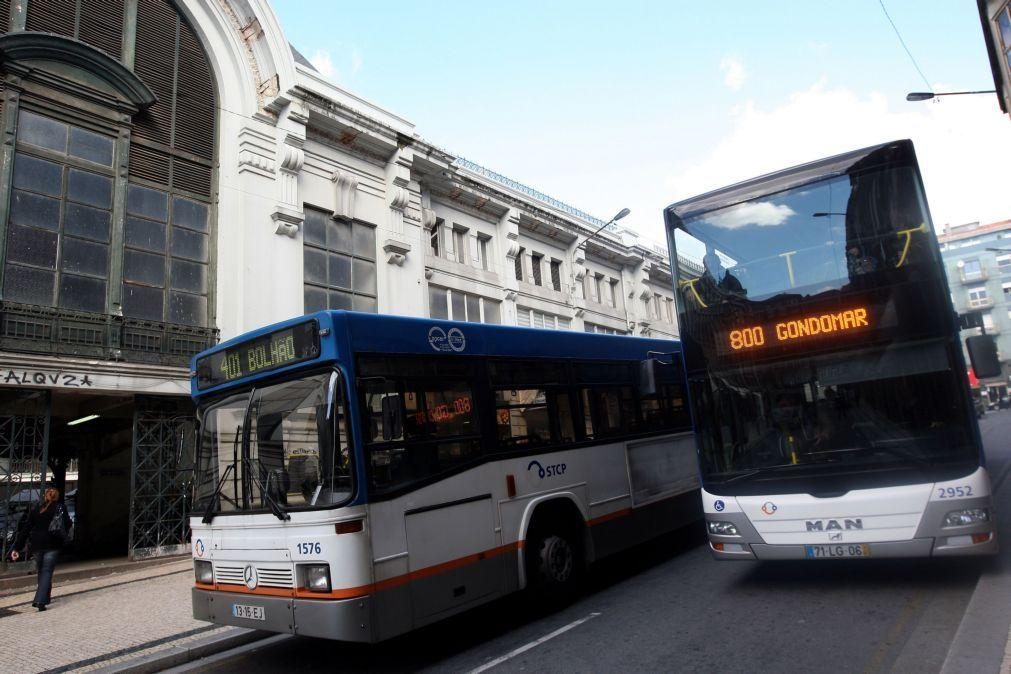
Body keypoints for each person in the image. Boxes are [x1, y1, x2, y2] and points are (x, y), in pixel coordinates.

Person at [8, 485, 72, 611]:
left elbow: (25, 529)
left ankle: (45, 597)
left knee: (42, 571)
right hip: (52, 544)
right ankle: (40, 600)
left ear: (45, 496)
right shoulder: (60, 508)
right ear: (57, 497)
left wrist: (16, 548)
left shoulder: (37, 509)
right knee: (47, 571)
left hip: (37, 545)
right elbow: (68, 523)